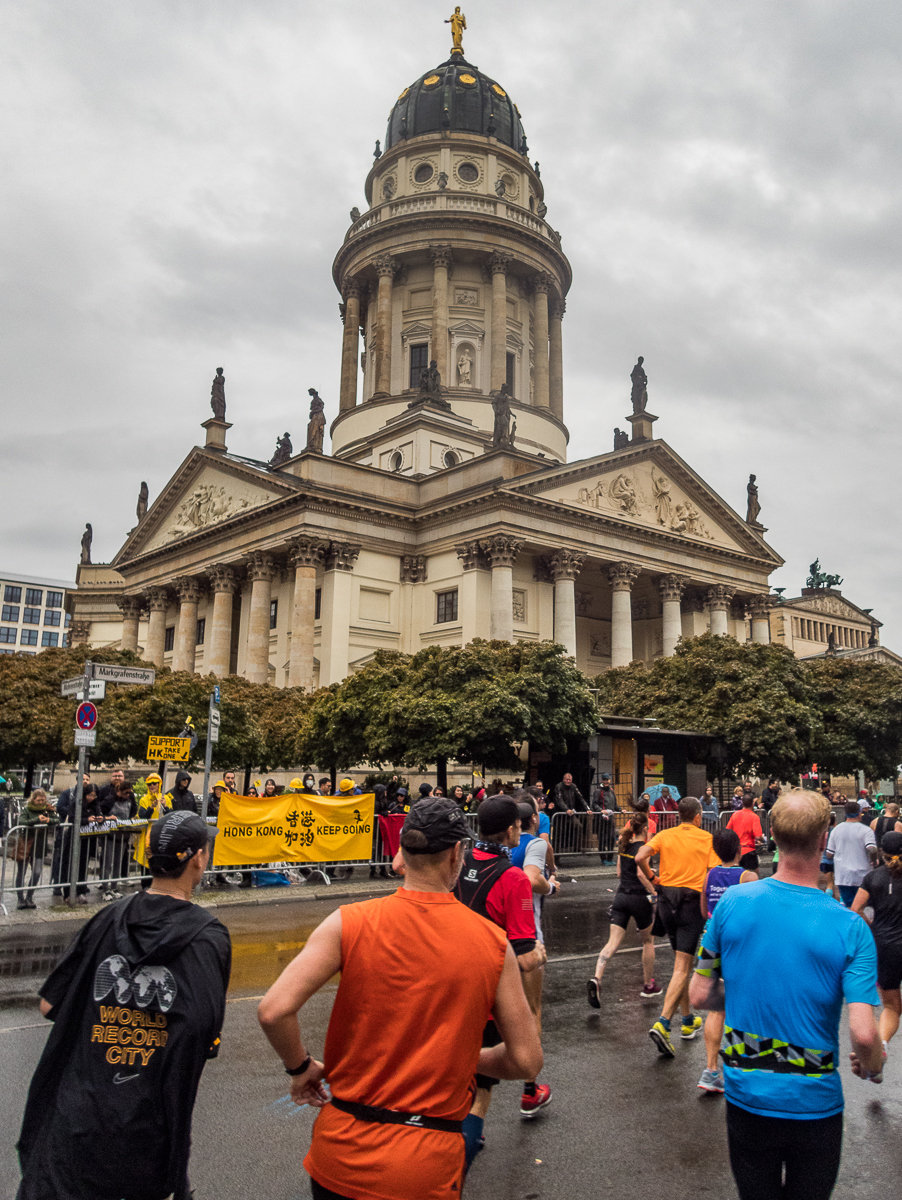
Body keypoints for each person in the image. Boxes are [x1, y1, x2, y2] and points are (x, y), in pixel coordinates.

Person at [257, 798, 542, 1200]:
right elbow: (527, 1059)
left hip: (338, 1153)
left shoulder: (347, 921)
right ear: (457, 854)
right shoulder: (494, 946)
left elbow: (273, 1010)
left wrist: (300, 1067)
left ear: (401, 855)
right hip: (425, 1163)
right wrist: (459, 1058)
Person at [17, 811, 231, 1200]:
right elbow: (201, 1035)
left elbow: (50, 1004)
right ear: (198, 858)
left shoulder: (107, 918)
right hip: (145, 1128)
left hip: (77, 1116)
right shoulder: (206, 936)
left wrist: (107, 1015)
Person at [689, 791, 883, 1200]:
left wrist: (748, 989)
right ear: (823, 838)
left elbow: (700, 994)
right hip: (815, 1104)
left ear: (772, 835)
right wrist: (872, 1064)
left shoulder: (732, 904)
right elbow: (865, 1036)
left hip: (746, 1096)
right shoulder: (851, 929)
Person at [454, 795, 549, 1136]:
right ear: (511, 830)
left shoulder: (458, 861)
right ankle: (463, 1146)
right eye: (519, 827)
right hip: (486, 992)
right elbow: (524, 957)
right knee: (481, 1087)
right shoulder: (513, 878)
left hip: (450, 981)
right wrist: (539, 953)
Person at [636, 796, 719, 1056]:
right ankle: (663, 1022)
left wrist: (653, 878)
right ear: (697, 816)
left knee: (678, 964)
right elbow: (714, 874)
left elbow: (639, 856)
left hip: (666, 900)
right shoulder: (706, 838)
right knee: (683, 966)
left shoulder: (665, 834)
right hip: (690, 902)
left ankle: (686, 1020)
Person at [696, 828, 757, 1094]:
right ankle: (745, 1065)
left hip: (711, 938)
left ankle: (710, 1071)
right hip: (740, 942)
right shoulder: (748, 876)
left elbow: (703, 909)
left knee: (716, 1007)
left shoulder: (709, 874)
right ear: (739, 850)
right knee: (746, 1000)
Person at [511, 797, 559, 1112]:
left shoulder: (495, 848)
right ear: (533, 820)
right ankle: (530, 1089)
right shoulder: (534, 846)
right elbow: (532, 879)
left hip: (492, 937)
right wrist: (551, 886)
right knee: (532, 1010)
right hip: (527, 935)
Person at [587, 810, 659, 1006]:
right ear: (645, 829)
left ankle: (597, 978)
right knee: (647, 942)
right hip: (638, 898)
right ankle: (648, 985)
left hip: (620, 897)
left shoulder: (624, 846)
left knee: (612, 943)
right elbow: (641, 874)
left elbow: (619, 872)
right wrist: (654, 891)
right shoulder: (642, 849)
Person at [852, 831, 902, 1055]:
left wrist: (872, 927)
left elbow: (856, 910)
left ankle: (882, 1045)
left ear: (882, 853)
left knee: (891, 1006)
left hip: (884, 945)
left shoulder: (873, 878)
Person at [826, 800, 878, 907]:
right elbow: (872, 849)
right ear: (859, 813)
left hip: (843, 876)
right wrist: (874, 861)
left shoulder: (836, 830)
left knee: (850, 905)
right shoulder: (866, 830)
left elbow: (829, 854)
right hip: (863, 875)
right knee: (863, 907)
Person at [14, 791, 60, 910]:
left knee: (37, 872)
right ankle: (20, 898)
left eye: (43, 800)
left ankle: (29, 896)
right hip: (26, 844)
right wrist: (36, 820)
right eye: (38, 800)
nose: (41, 803)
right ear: (33, 799)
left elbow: (57, 820)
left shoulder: (48, 809)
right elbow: (21, 822)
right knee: (21, 873)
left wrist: (48, 820)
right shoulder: (27, 809)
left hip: (39, 845)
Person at [99, 780, 138, 902]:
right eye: (126, 793)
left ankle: (114, 888)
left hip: (123, 835)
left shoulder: (130, 799)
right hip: (110, 835)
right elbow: (101, 812)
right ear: (119, 792)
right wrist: (108, 818)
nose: (128, 795)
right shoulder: (110, 800)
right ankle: (106, 889)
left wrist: (130, 820)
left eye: (129, 793)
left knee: (118, 862)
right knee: (108, 862)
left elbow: (133, 811)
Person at [134, 773, 171, 885]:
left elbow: (171, 816)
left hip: (162, 835)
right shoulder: (144, 799)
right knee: (146, 860)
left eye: (154, 783)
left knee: (160, 861)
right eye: (149, 784)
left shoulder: (166, 799)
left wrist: (165, 806)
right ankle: (145, 885)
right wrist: (151, 807)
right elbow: (142, 816)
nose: (152, 786)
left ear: (159, 784)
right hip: (147, 835)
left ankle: (159, 885)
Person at [727, 793, 765, 872]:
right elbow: (758, 836)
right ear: (753, 804)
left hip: (736, 852)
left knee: (737, 877)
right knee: (753, 876)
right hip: (749, 851)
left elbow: (728, 832)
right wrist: (763, 839)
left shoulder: (735, 815)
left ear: (742, 803)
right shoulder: (754, 817)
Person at [591, 772, 620, 865]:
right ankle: (603, 859)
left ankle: (610, 858)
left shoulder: (612, 791)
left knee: (611, 839)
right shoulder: (598, 791)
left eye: (607, 779)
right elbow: (594, 804)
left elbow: (615, 805)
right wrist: (600, 810)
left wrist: (621, 810)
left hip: (610, 820)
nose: (606, 781)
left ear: (609, 780)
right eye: (604, 780)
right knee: (602, 840)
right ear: (601, 780)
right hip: (601, 820)